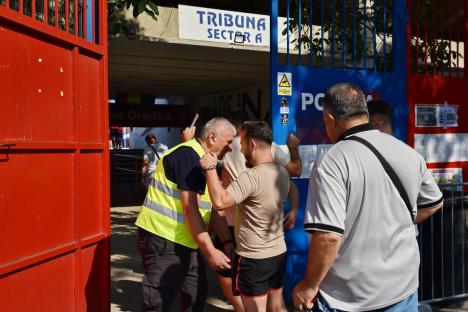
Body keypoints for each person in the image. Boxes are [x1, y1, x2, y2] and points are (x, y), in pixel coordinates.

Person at [292, 83, 444, 312]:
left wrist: (309, 285)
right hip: (404, 288)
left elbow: (328, 237)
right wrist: (398, 219)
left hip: (351, 298)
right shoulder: (408, 152)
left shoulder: (332, 161)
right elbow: (435, 203)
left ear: (330, 120)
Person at [135, 117, 236, 311]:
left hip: (188, 242)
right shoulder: (188, 157)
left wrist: (226, 241)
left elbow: (211, 208)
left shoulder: (205, 160)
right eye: (229, 142)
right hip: (164, 241)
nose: (230, 148)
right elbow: (190, 209)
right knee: (158, 304)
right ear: (213, 137)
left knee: (196, 298)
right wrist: (210, 251)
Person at [214, 110, 302, 311]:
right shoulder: (280, 167)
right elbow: (294, 178)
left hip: (251, 253)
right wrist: (295, 210)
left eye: (242, 142)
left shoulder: (248, 175)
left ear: (251, 144)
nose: (238, 145)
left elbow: (219, 201)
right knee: (277, 306)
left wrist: (210, 168)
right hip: (277, 250)